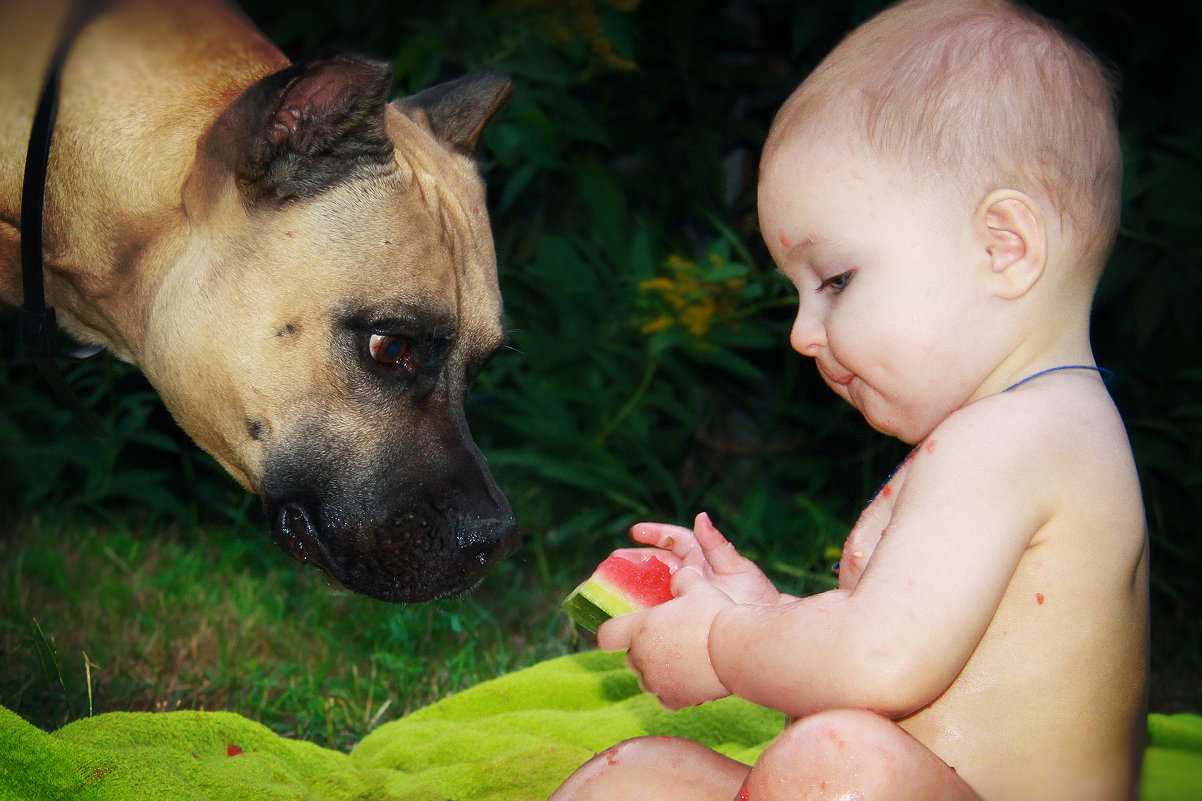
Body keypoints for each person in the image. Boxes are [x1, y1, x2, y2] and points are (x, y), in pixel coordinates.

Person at [548, 0, 1149, 798]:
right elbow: (895, 649)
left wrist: (727, 641)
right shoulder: (1013, 428)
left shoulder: (1026, 438)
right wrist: (764, 611)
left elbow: (879, 660)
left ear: (1005, 247)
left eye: (835, 280)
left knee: (832, 761)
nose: (802, 333)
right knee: (638, 775)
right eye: (797, 293)